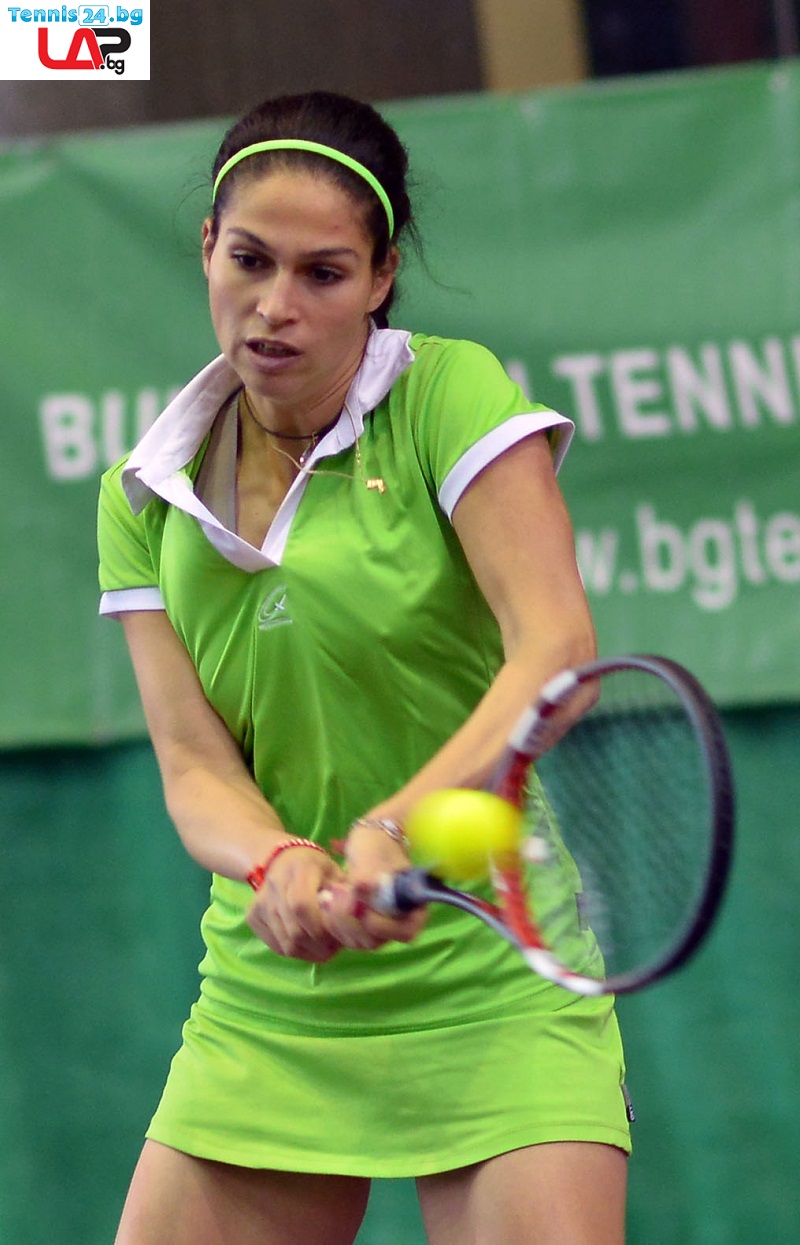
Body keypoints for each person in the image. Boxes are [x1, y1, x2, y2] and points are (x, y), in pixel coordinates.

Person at [98, 90, 631, 1245]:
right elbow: (194, 766)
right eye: (249, 260)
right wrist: (277, 858)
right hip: (268, 1004)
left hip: (490, 977)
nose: (274, 307)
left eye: (323, 274)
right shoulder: (142, 495)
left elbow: (557, 652)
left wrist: (398, 823)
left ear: (381, 277)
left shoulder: (445, 394)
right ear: (207, 246)